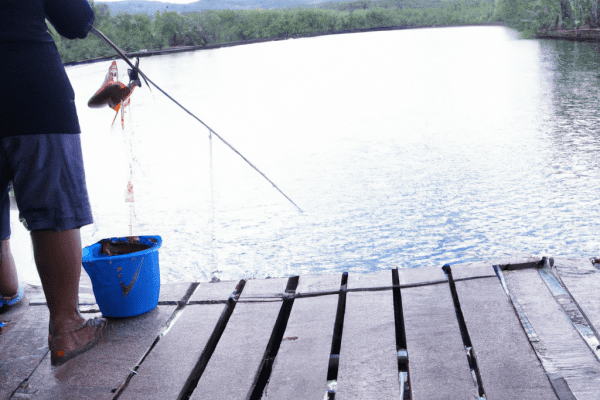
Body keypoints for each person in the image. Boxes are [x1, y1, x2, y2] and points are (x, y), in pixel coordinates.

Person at [0, 0, 106, 365]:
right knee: (54, 206)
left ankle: (7, 291)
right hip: (31, 89)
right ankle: (67, 327)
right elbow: (75, 20)